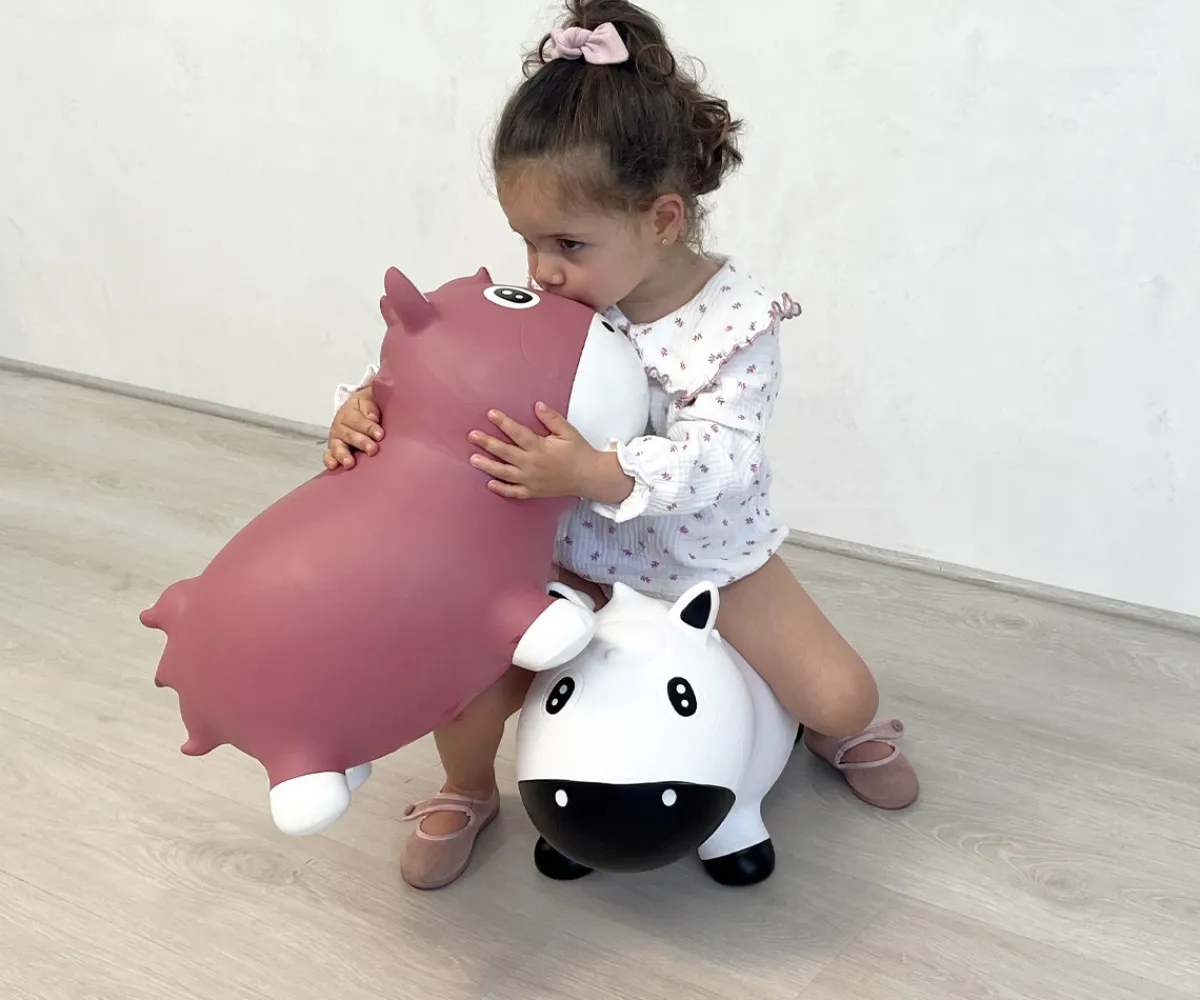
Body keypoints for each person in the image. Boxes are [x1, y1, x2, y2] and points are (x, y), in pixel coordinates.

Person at [326, 0, 919, 890]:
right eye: (527, 242)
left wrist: (598, 471)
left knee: (841, 695)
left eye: (568, 243)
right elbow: (451, 362)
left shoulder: (735, 324)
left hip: (704, 558)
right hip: (574, 561)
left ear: (664, 219)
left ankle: (824, 735)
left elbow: (725, 458)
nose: (542, 270)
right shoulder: (553, 304)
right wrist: (364, 404)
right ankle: (467, 790)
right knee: (465, 692)